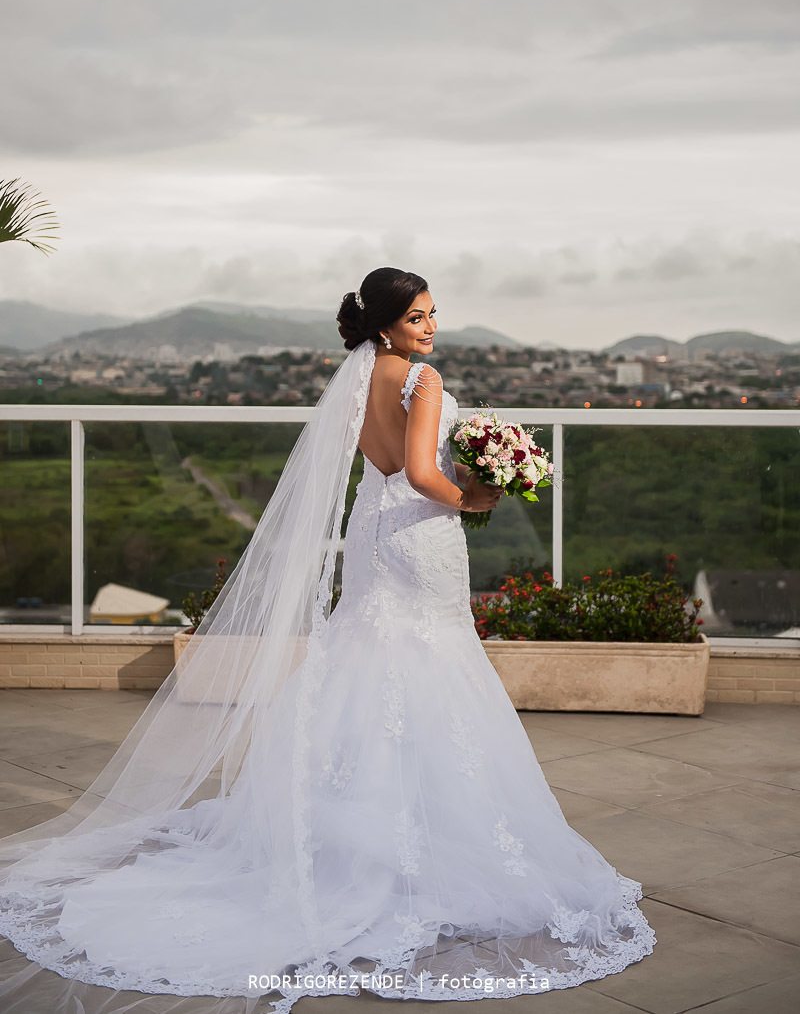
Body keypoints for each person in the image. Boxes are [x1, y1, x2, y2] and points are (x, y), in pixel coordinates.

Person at [0, 267, 655, 1014]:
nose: (430, 326)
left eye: (433, 314)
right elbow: (418, 471)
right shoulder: (424, 379)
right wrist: (474, 492)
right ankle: (423, 844)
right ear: (387, 322)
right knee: (432, 664)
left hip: (373, 531)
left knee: (369, 660)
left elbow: (379, 465)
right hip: (419, 530)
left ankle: (349, 831)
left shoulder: (363, 374)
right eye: (416, 316)